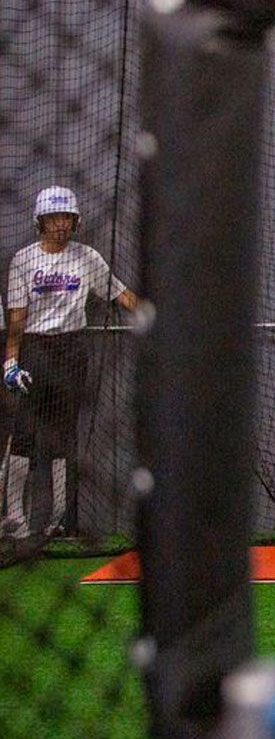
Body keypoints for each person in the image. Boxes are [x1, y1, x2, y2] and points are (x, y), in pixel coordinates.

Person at [2, 186, 140, 540]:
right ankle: (15, 518)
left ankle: (56, 519)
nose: (61, 224)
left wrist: (151, 311)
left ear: (74, 221)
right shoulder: (24, 260)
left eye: (67, 218)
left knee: (64, 434)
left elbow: (119, 293)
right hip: (35, 347)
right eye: (54, 218)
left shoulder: (87, 257)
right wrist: (11, 362)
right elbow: (17, 318)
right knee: (24, 433)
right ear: (41, 222)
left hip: (72, 349)